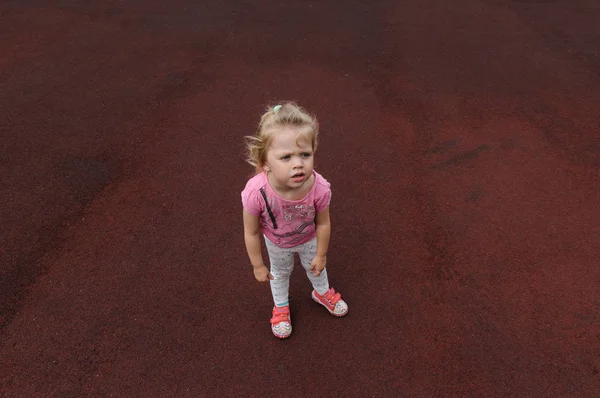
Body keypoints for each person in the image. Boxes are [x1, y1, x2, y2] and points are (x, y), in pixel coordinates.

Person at [241, 102, 348, 339]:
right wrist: (258, 264)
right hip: (277, 244)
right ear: (265, 161)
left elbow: (323, 223)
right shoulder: (256, 193)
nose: (298, 163)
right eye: (286, 157)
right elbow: (251, 232)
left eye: (305, 155)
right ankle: (280, 306)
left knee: (317, 268)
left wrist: (321, 253)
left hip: (308, 239)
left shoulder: (319, 188)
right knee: (279, 273)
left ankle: (321, 292)